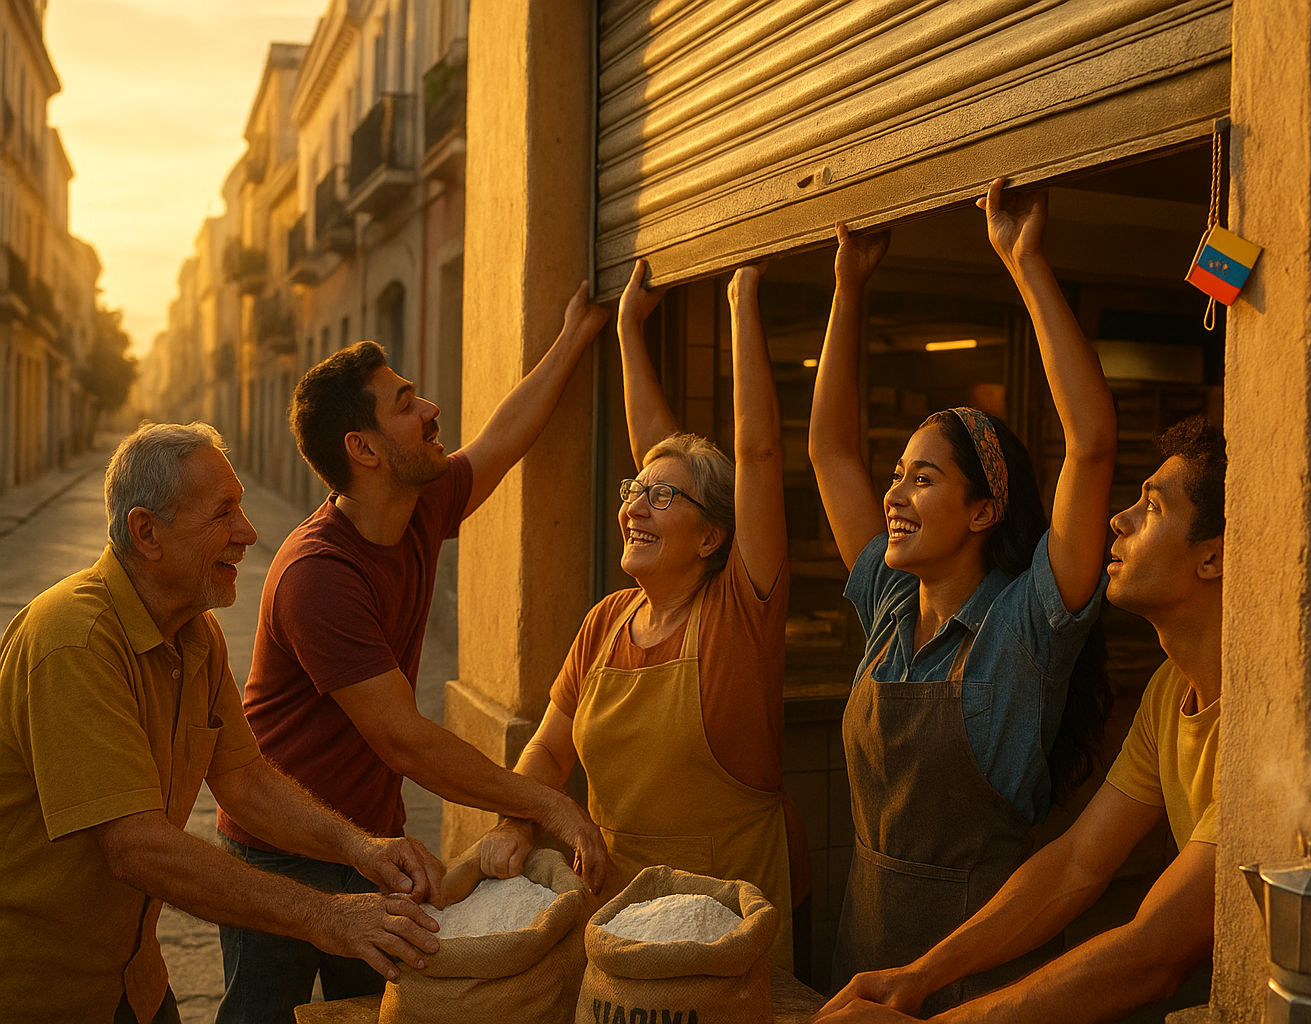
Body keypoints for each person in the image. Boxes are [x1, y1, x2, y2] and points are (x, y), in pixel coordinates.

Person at [214, 283, 612, 1022]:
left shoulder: (422, 502)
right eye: (406, 404)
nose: (430, 411)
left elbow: (503, 439)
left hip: (372, 851)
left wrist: (576, 335)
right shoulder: (316, 575)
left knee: (371, 1013)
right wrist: (547, 803)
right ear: (363, 450)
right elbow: (405, 739)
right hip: (280, 853)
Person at [0, 423, 445, 1024]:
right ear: (146, 532)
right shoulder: (73, 642)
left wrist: (360, 849)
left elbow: (245, 779)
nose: (248, 533)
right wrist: (327, 915)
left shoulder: (195, 632)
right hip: (43, 994)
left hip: (136, 981)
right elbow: (136, 849)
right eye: (223, 513)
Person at [808, 179, 1117, 1014]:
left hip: (982, 987)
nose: (894, 494)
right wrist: (848, 287)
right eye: (898, 475)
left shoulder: (1027, 625)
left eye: (925, 478)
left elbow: (1090, 446)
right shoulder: (887, 602)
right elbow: (831, 452)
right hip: (862, 959)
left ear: (984, 511)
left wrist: (1025, 264)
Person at [816, 417, 1226, 1023]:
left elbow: (1153, 953)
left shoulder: (1261, 720)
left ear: (1213, 555)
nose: (1119, 519)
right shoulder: (1169, 693)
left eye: (1153, 507)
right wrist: (919, 976)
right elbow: (1077, 864)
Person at [483, 257, 804, 971]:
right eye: (633, 492)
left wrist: (742, 292)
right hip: (613, 931)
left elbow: (754, 452)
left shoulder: (738, 614)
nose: (633, 507)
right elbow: (547, 752)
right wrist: (515, 817)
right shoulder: (605, 622)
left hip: (725, 943)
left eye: (661, 501)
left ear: (713, 537)